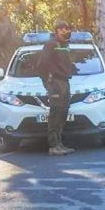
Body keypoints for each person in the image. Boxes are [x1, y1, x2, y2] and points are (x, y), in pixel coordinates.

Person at [35, 21, 76, 156]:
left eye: (67, 29)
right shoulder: (50, 44)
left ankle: (59, 143)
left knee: (63, 112)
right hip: (55, 83)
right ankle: (53, 145)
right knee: (55, 113)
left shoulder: (65, 45)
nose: (66, 31)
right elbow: (42, 65)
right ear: (57, 30)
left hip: (65, 81)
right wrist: (47, 82)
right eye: (63, 29)